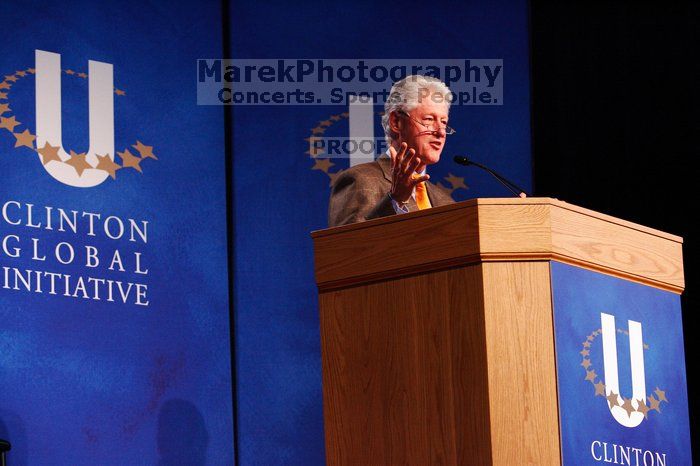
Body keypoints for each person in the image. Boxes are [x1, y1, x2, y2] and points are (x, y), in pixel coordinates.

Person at [328, 75, 456, 227]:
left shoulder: (446, 202)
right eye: (429, 120)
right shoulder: (359, 180)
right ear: (396, 122)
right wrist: (396, 200)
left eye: (443, 122)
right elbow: (345, 247)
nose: (441, 132)